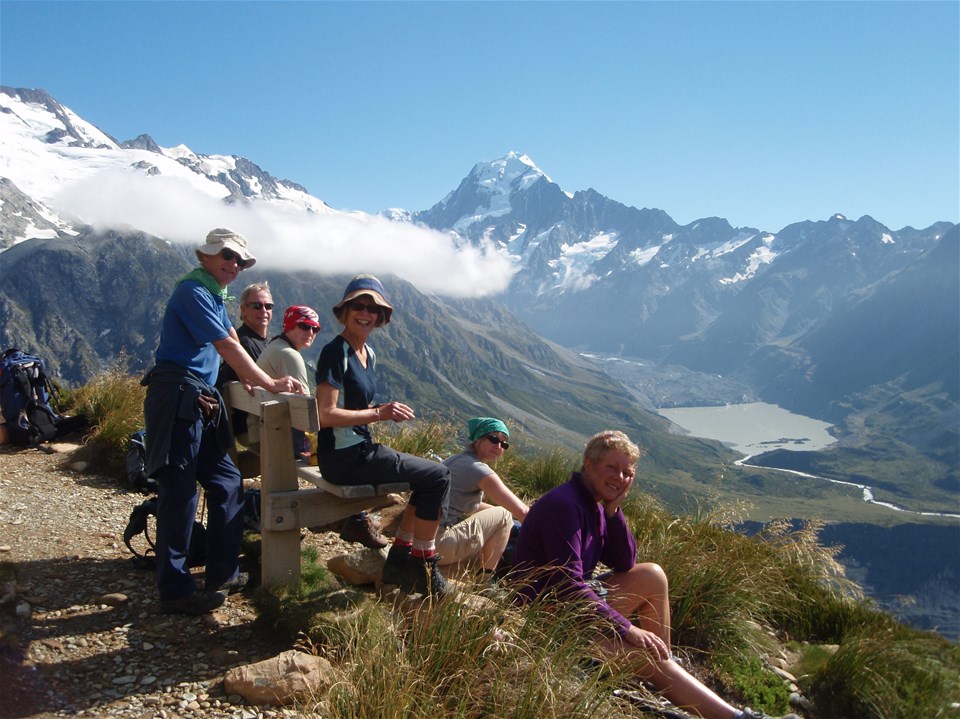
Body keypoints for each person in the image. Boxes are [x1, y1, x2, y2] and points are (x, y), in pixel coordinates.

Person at [512, 430, 799, 719]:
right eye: (612, 468)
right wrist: (628, 629)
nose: (620, 477)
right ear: (588, 464)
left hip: (569, 609)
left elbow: (625, 561)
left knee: (652, 575)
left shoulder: (593, 504)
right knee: (647, 657)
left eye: (627, 472)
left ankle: (666, 672)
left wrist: (613, 511)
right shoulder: (565, 506)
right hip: (543, 622)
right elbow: (568, 586)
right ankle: (733, 716)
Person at [142, 228, 304, 616]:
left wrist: (251, 379)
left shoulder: (213, 293)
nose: (234, 265)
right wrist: (268, 382)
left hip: (199, 399)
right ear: (207, 256)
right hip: (180, 394)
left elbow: (230, 334)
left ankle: (223, 572)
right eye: (227, 257)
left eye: (239, 260)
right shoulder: (193, 292)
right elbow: (228, 346)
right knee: (180, 492)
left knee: (227, 481)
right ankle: (175, 590)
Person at [314, 274, 450, 597]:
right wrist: (380, 413)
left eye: (372, 308)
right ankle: (422, 562)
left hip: (359, 451)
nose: (365, 312)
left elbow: (353, 405)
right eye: (358, 305)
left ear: (380, 317)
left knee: (428, 477)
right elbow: (325, 414)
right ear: (345, 312)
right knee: (439, 475)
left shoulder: (366, 354)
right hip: (345, 458)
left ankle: (402, 556)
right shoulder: (335, 353)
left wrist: (380, 409)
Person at [437, 417, 528, 577]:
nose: (499, 446)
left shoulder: (456, 460)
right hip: (440, 545)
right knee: (504, 516)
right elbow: (524, 512)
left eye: (504, 444)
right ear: (478, 439)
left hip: (425, 540)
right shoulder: (478, 470)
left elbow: (472, 506)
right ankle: (486, 579)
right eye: (494, 439)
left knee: (505, 518)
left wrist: (510, 521)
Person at [246, 305, 321, 457]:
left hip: (257, 431)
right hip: (272, 436)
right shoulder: (289, 354)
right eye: (305, 326)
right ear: (290, 326)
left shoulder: (275, 345)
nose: (310, 333)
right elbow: (305, 409)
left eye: (315, 329)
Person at [216, 282, 274, 442]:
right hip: (253, 427)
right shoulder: (245, 343)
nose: (264, 310)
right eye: (257, 306)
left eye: (268, 306)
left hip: (252, 422)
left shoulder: (258, 340)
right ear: (243, 309)